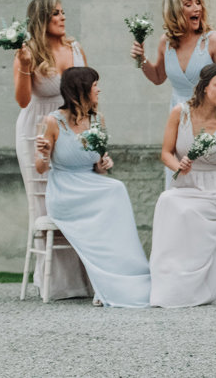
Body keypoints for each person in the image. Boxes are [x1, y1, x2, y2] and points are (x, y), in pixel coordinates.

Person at [130, 0, 216, 294]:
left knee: (210, 185)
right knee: (179, 189)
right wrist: (141, 60)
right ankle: (179, 272)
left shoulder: (213, 40)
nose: (196, 8)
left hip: (211, 119)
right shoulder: (165, 43)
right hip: (180, 116)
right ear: (175, 11)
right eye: (188, 4)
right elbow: (158, 77)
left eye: (198, 2)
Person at [35, 67, 150, 307]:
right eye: (95, 84)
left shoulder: (98, 120)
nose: (99, 89)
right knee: (113, 191)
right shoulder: (52, 121)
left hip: (91, 183)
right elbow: (40, 168)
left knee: (116, 188)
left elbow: (99, 166)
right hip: (65, 190)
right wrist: (44, 154)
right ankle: (104, 284)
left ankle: (117, 280)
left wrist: (104, 162)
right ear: (81, 89)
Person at [13, 0, 92, 300]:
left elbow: (90, 93)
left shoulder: (76, 48)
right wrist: (22, 66)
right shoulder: (28, 53)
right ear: (42, 19)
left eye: (63, 11)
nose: (63, 17)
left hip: (74, 128)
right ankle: (54, 282)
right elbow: (22, 101)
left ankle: (83, 280)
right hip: (36, 127)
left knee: (74, 194)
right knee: (44, 201)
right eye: (56, 13)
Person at [149, 64, 216, 307]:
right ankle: (169, 281)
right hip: (186, 184)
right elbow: (165, 153)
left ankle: (193, 287)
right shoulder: (179, 113)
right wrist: (178, 166)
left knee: (186, 211)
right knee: (167, 201)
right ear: (204, 87)